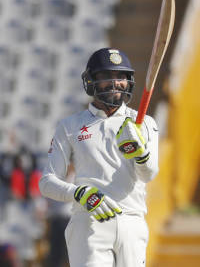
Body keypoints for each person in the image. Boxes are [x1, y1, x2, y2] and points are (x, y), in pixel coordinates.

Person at [39, 47, 159, 267]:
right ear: (91, 81)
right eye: (107, 76)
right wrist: (80, 193)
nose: (115, 83)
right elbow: (47, 182)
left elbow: (149, 173)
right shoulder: (71, 126)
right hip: (89, 220)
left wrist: (141, 154)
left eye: (121, 76)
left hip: (132, 219)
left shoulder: (145, 123)